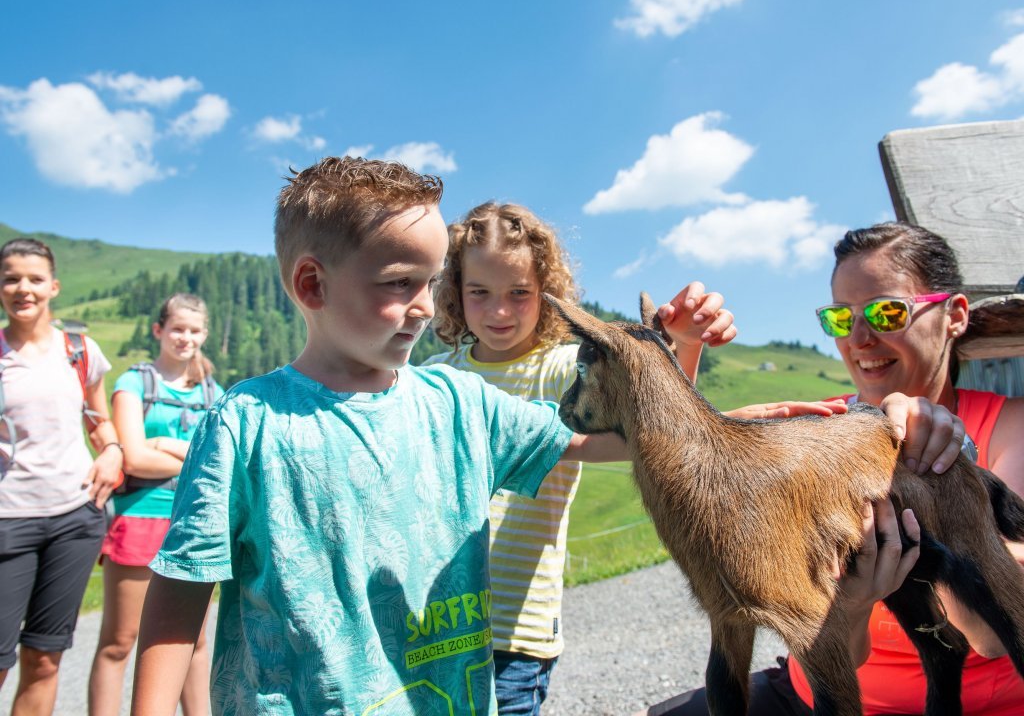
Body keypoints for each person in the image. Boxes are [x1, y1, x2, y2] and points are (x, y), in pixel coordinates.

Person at [131, 156, 643, 716]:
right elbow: (180, 593)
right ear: (312, 285)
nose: (425, 306)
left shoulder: (460, 403)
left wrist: (717, 421)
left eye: (430, 281)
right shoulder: (243, 423)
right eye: (400, 283)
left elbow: (601, 441)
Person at [643, 221, 1024, 716]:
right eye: (841, 320)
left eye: (887, 312)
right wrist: (680, 351)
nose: (860, 338)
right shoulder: (817, 429)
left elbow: (994, 635)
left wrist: (946, 476)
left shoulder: (1007, 426)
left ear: (953, 315)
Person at [426, 201, 736, 714]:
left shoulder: (565, 369)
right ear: (456, 293)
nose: (499, 311)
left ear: (548, 294)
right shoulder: (436, 375)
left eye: (519, 293)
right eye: (479, 293)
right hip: (432, 620)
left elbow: (648, 428)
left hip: (514, 627)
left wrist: (684, 345)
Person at [0, 238, 123, 716]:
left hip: (74, 517)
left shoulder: (79, 351)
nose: (22, 288)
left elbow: (100, 421)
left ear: (53, 286)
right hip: (8, 518)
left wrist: (112, 451)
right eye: (11, 278)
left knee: (45, 658)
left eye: (33, 279)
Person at [88, 293, 223, 716]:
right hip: (140, 518)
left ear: (205, 335)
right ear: (158, 331)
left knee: (195, 643)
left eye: (195, 330)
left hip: (191, 521)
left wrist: (165, 444)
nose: (186, 338)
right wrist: (190, 454)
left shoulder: (211, 390)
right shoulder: (134, 383)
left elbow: (219, 461)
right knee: (119, 641)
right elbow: (133, 458)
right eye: (177, 329)